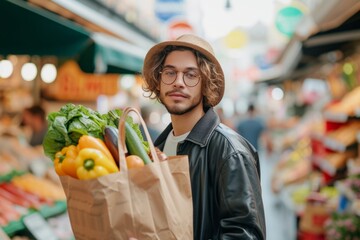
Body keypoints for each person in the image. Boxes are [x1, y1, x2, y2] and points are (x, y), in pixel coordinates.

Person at [142, 34, 266, 239]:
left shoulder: (230, 152)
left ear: (206, 83)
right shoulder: (158, 147)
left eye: (191, 75)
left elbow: (244, 235)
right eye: (170, 72)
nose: (178, 82)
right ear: (159, 80)